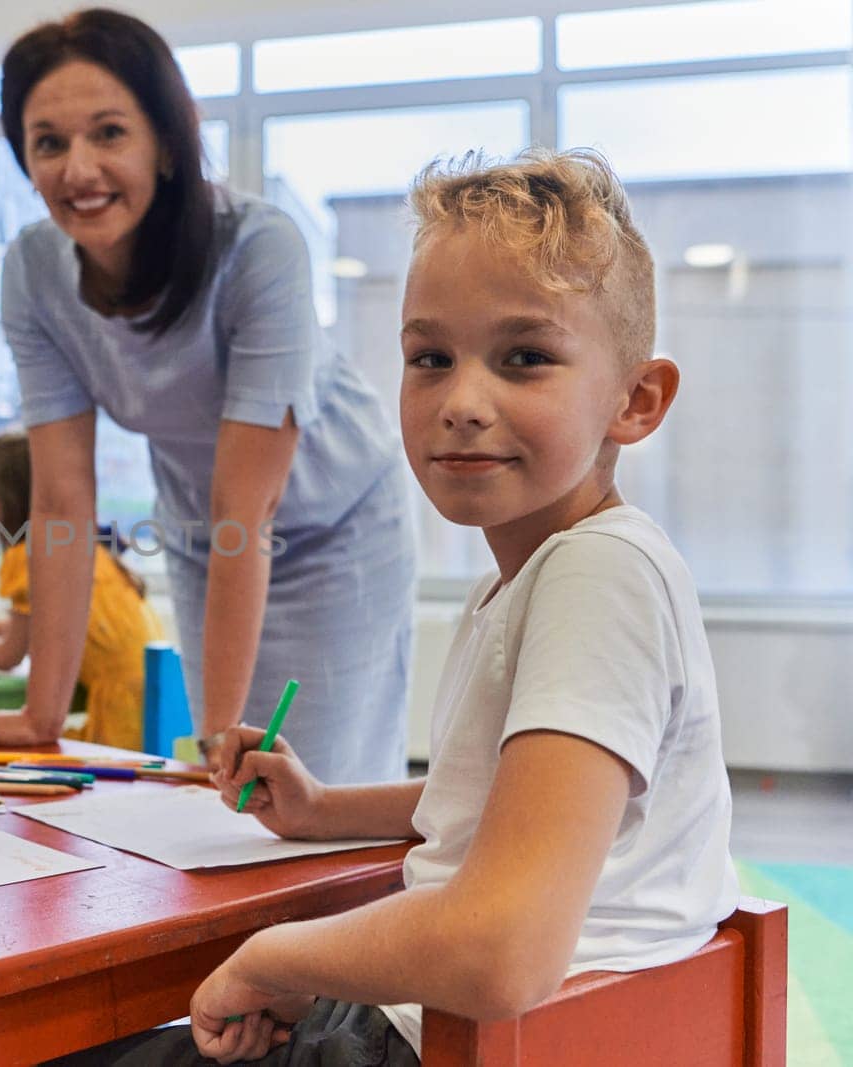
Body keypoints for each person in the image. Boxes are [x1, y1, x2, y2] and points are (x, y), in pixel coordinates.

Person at [51, 148, 738, 1066]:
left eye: (524, 357)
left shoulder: (597, 576)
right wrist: (323, 808)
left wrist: (271, 956)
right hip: (437, 1026)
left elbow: (502, 951)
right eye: (430, 358)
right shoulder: (532, 576)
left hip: (445, 1039)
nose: (460, 401)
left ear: (637, 399)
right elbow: (510, 806)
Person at [0, 8, 416, 785]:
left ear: (166, 142)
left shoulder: (258, 247)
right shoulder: (33, 271)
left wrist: (221, 733)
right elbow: (62, 500)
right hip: (208, 530)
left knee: (316, 782)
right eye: (49, 142)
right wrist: (42, 717)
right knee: (234, 791)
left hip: (336, 522)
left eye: (109, 133)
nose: (78, 169)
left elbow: (250, 504)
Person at [0, 432, 162, 750]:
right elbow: (33, 625)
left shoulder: (31, 555)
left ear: (8, 502)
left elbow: (9, 654)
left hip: (119, 717)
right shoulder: (80, 548)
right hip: (152, 701)